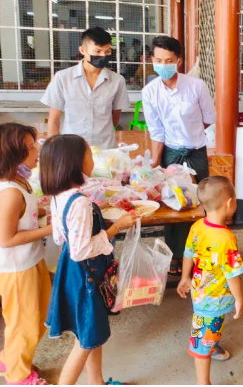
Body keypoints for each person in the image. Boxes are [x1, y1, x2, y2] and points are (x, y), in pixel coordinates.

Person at [41, 134, 140, 385]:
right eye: (89, 153)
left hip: (72, 271)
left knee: (89, 332)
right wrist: (116, 227)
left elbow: (60, 237)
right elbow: (80, 250)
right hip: (87, 275)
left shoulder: (60, 196)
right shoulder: (80, 203)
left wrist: (96, 213)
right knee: (85, 341)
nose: (92, 158)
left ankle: (96, 381)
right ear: (75, 162)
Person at [142, 35, 216, 275]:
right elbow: (156, 130)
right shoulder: (150, 92)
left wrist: (192, 134)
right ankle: (175, 254)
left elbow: (209, 118)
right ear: (152, 60)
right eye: (159, 60)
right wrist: (155, 162)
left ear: (179, 61)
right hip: (171, 154)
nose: (163, 65)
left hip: (196, 153)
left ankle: (201, 254)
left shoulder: (196, 86)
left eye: (169, 60)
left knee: (202, 202)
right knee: (174, 204)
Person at [177, 176, 243, 384]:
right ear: (230, 203)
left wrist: (185, 277)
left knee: (211, 328)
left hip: (200, 292)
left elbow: (188, 253)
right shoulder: (226, 238)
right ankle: (203, 382)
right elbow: (232, 273)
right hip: (213, 299)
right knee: (201, 343)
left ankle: (212, 344)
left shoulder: (197, 226)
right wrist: (239, 298)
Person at [0, 123, 52, 385]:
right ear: (13, 156)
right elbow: (6, 238)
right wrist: (51, 229)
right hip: (18, 269)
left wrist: (45, 212)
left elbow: (25, 212)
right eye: (31, 147)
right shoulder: (9, 191)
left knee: (40, 315)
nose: (37, 151)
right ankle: (18, 376)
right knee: (24, 323)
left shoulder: (20, 182)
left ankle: (10, 357)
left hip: (32, 260)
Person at [41, 27, 130, 149]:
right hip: (72, 149)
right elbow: (54, 120)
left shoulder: (117, 81)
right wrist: (52, 150)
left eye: (107, 51)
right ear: (83, 50)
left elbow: (115, 119)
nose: (103, 55)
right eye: (97, 51)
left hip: (105, 148)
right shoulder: (63, 78)